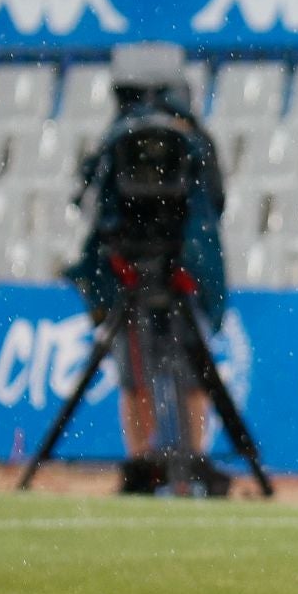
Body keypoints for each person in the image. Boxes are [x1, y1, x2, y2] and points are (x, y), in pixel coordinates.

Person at [65, 43, 227, 467]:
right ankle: (149, 462)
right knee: (141, 374)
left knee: (183, 374)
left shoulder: (171, 142)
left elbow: (93, 206)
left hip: (174, 271)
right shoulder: (179, 141)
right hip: (137, 273)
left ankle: (174, 459)